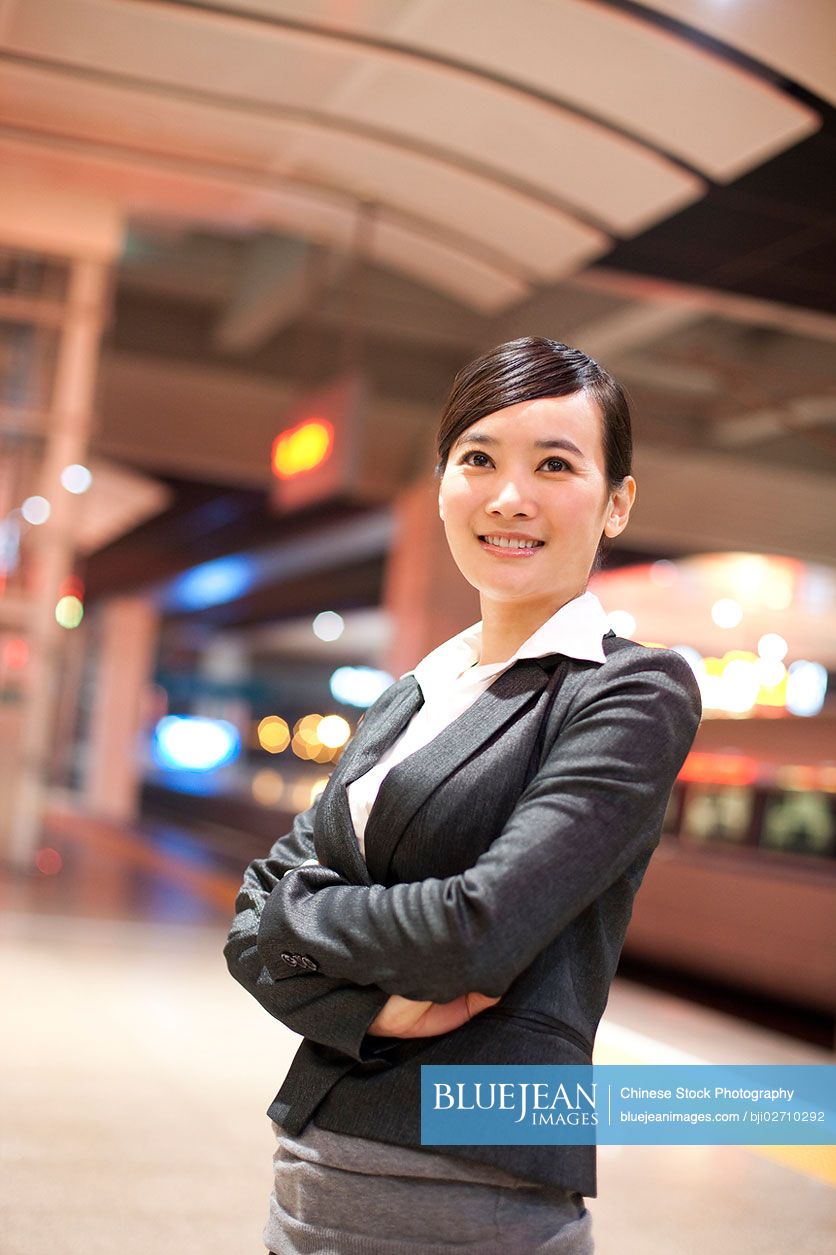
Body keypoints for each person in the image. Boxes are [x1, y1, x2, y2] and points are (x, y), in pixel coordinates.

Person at [224, 336, 702, 1253]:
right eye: (477, 457)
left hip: (476, 1196)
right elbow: (246, 924)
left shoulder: (629, 691)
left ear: (617, 504)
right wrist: (364, 1006)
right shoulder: (412, 693)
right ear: (443, 481)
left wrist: (297, 921)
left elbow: (477, 930)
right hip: (309, 1179)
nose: (507, 496)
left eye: (555, 464)